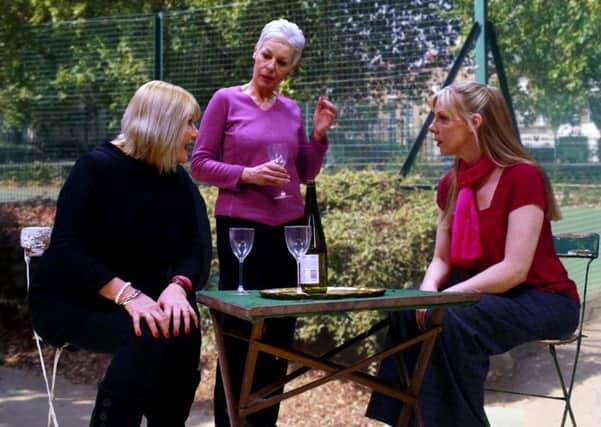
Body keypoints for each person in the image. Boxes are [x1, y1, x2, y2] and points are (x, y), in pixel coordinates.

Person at [366, 80, 580, 426]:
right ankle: (407, 420)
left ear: (474, 122)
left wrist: (445, 300)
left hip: (541, 299)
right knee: (407, 311)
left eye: (442, 118)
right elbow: (442, 259)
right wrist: (426, 295)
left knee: (448, 318)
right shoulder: (451, 184)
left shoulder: (523, 176)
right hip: (483, 298)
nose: (432, 128)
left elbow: (515, 269)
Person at [28, 80, 212, 427]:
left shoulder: (176, 181)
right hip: (76, 299)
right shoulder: (95, 168)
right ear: (163, 125)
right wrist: (127, 295)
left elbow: (198, 246)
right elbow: (67, 249)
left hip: (143, 297)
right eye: (189, 123)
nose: (196, 132)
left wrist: (178, 286)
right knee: (144, 329)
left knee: (183, 325)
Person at [190, 18, 336, 427]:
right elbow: (198, 163)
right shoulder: (225, 101)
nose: (271, 66)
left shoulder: (292, 110)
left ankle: (264, 422)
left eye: (282, 62)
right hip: (242, 228)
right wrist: (246, 175)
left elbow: (304, 172)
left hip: (289, 231)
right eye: (266, 56)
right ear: (255, 53)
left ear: (291, 69)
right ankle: (231, 421)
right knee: (239, 335)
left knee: (278, 338)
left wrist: (319, 136)